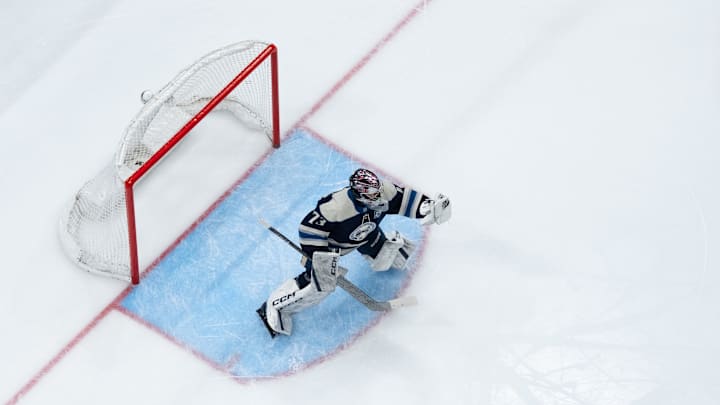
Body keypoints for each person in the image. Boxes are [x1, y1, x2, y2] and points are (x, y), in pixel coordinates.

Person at [257, 168, 452, 337]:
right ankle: (276, 307)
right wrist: (323, 258)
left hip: (366, 236)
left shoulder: (384, 191)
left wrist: (427, 207)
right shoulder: (336, 207)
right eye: (372, 196)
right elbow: (308, 229)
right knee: (320, 286)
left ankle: (383, 248)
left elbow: (406, 199)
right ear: (359, 195)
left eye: (378, 192)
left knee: (387, 260)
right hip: (332, 248)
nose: (379, 198)